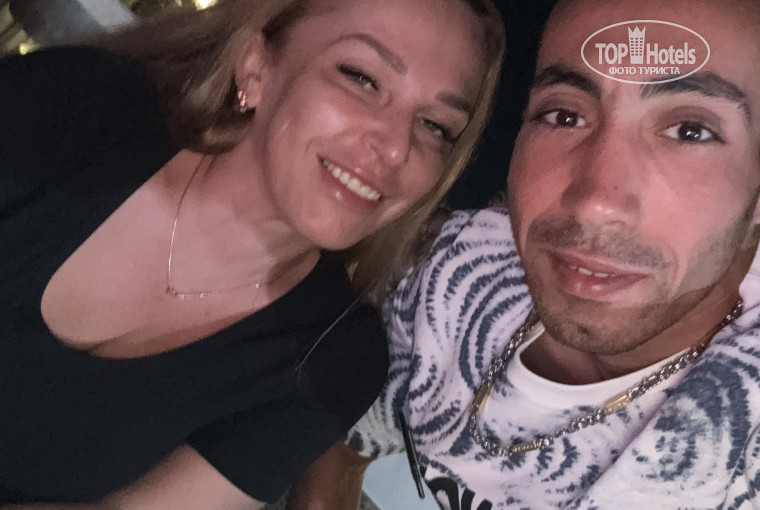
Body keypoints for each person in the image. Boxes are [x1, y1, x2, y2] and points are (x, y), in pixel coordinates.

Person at [0, 0, 506, 507]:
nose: (396, 149)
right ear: (256, 68)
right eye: (361, 78)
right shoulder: (76, 107)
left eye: (435, 126)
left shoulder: (333, 360)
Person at [287, 0, 760, 508]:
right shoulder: (459, 268)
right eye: (564, 116)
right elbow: (342, 438)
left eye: (690, 131)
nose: (594, 203)